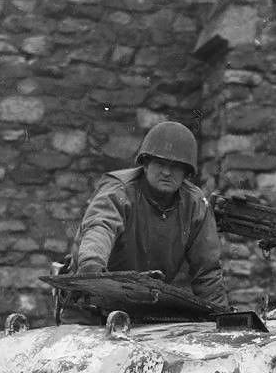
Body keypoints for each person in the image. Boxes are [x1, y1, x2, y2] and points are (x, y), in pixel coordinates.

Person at [71, 121, 228, 308]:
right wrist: (92, 265)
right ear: (145, 165)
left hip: (146, 306)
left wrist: (221, 317)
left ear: (186, 173)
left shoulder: (195, 204)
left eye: (176, 166)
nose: (167, 172)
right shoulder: (118, 191)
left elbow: (207, 270)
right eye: (160, 163)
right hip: (91, 302)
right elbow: (101, 226)